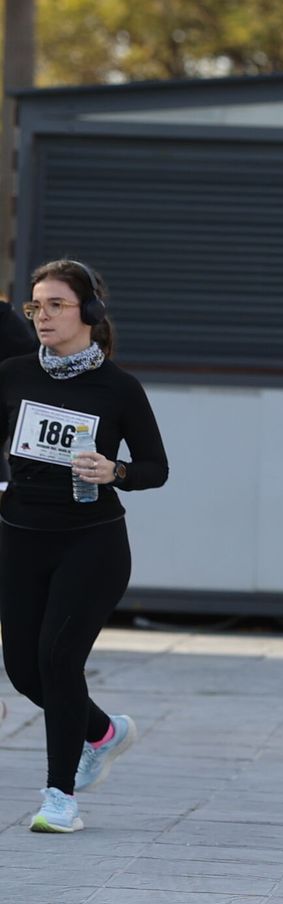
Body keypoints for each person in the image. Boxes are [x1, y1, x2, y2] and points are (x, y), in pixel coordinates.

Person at [4, 260, 168, 832]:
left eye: (55, 305)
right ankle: (102, 731)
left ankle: (59, 796)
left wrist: (114, 471)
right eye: (35, 306)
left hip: (91, 544)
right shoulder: (13, 375)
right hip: (19, 538)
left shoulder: (118, 387)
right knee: (24, 671)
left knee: (58, 659)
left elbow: (156, 468)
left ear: (89, 314)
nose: (42, 316)